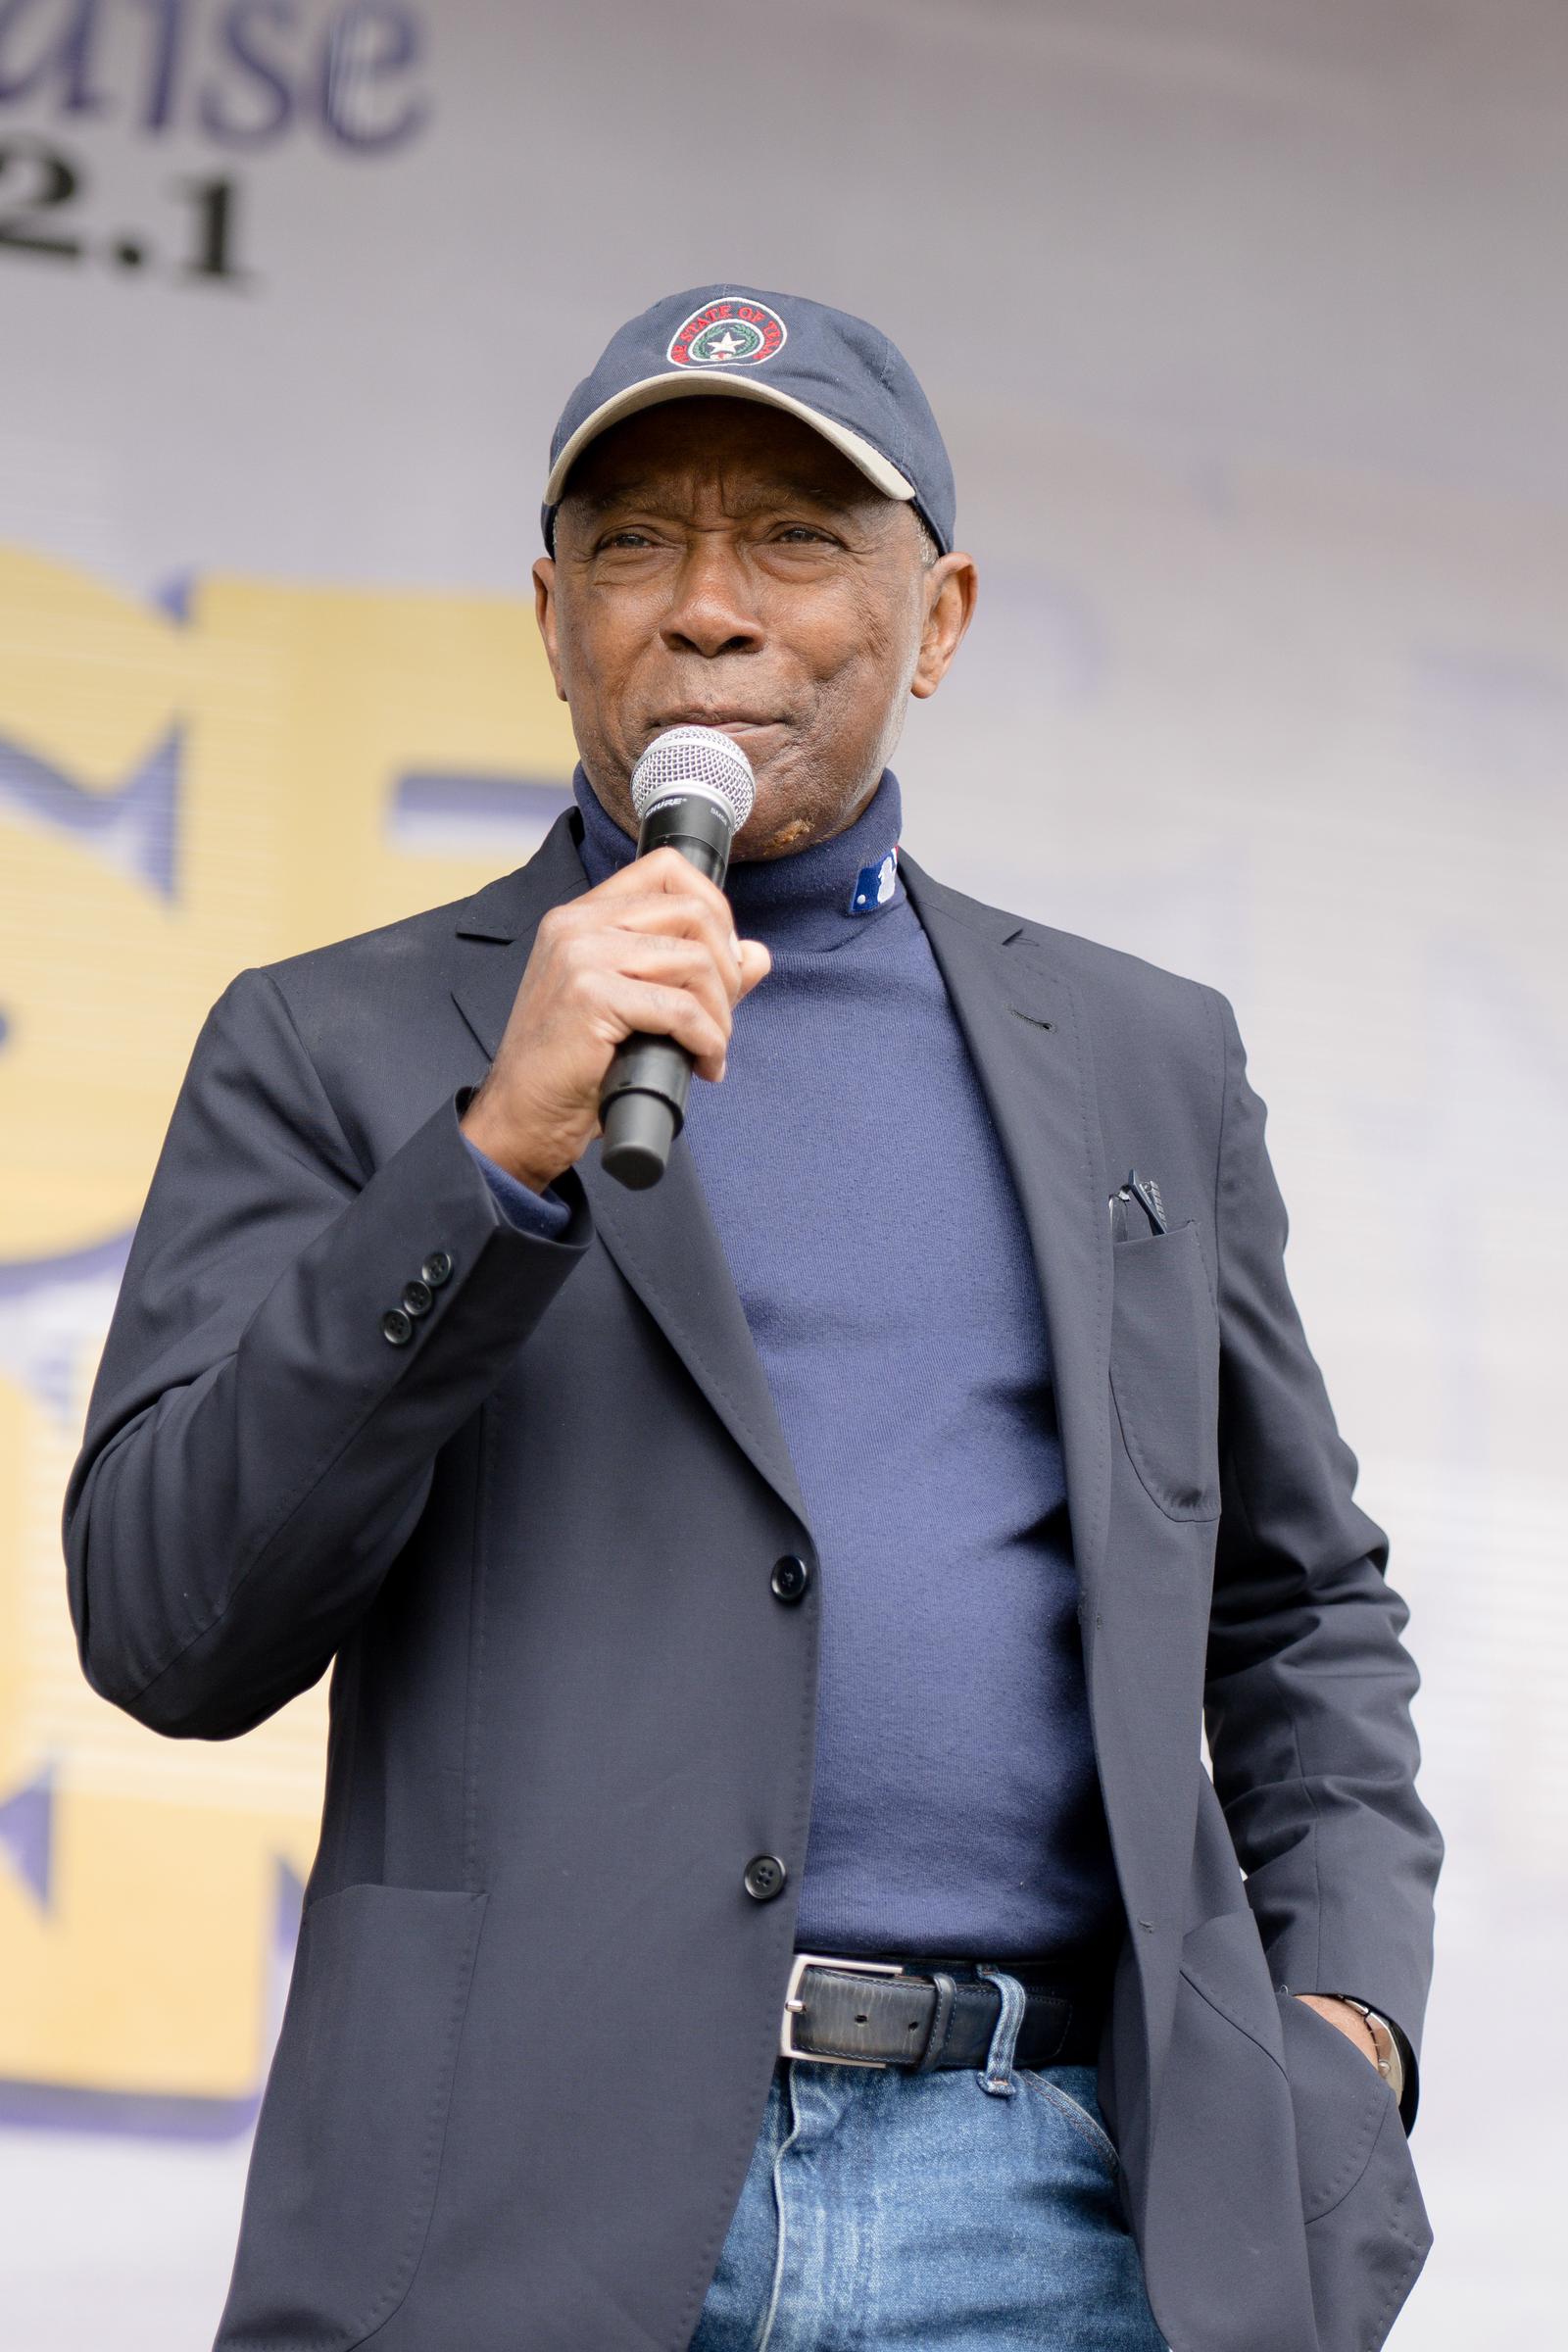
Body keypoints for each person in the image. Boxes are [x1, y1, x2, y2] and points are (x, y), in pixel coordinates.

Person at [63, 284, 1442, 2352]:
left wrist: (1342, 2038)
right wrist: (486, 1160)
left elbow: (1295, 1607)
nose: (706, 609)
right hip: (517, 2204)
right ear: (548, 615)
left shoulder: (1136, 1062)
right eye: (634, 542)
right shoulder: (334, 1043)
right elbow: (168, 1624)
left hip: (1046, 2198)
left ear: (940, 615)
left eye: (794, 538)